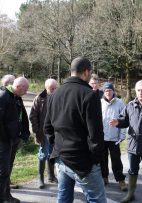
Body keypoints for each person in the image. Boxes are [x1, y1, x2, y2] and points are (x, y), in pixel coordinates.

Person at [44, 57, 107, 203]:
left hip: (61, 157)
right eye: (90, 72)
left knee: (64, 198)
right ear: (86, 72)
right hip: (83, 161)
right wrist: (96, 159)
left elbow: (47, 127)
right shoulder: (89, 95)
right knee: (96, 200)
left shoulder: (54, 94)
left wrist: (57, 146)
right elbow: (96, 134)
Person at [0, 77, 31, 203]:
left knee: (8, 169)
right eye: (26, 89)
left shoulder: (16, 97)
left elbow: (22, 116)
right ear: (19, 87)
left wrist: (24, 133)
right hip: (3, 141)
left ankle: (7, 196)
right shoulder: (2, 97)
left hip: (13, 139)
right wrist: (2, 139)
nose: (27, 92)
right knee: (2, 170)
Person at [29, 78, 58, 189]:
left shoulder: (59, 97)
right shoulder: (39, 98)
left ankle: (51, 176)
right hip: (44, 133)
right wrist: (37, 131)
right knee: (43, 155)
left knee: (52, 154)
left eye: (56, 88)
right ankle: (40, 178)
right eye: (52, 88)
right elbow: (33, 116)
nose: (54, 90)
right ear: (46, 88)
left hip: (55, 133)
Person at [100, 82, 128, 191]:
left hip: (114, 138)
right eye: (106, 91)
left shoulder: (120, 103)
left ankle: (120, 180)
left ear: (113, 91)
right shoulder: (100, 103)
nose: (108, 92)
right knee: (102, 159)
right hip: (102, 137)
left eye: (110, 90)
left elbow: (124, 119)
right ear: (104, 92)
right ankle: (104, 177)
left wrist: (122, 135)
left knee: (116, 159)